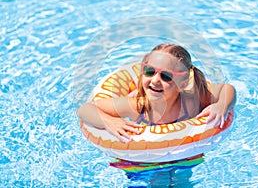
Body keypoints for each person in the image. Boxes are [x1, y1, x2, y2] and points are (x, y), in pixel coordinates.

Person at [78, 43, 236, 143]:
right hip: (141, 158)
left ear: (182, 83)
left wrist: (222, 105)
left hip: (183, 152)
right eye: (149, 71)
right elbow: (85, 109)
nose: (155, 81)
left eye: (166, 76)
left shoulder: (191, 102)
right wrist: (109, 121)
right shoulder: (137, 106)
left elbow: (226, 89)